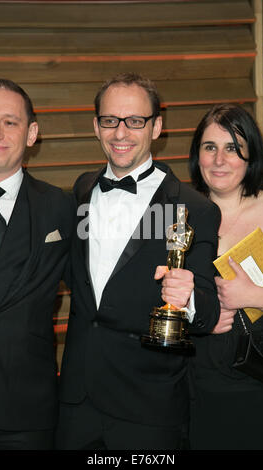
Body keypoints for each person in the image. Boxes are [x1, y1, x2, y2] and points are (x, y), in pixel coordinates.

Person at [56, 72, 221, 450]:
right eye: (110, 121)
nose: (121, 133)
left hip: (148, 406)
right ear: (96, 126)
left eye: (135, 121)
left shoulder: (193, 208)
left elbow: (208, 312)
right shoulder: (81, 191)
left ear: (157, 126)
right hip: (76, 404)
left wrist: (187, 298)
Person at [0, 78, 75, 449]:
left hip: (26, 411)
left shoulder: (61, 208)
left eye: (10, 121)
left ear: (31, 133)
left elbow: (93, 290)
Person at [188, 103, 263, 450]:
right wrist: (199, 316)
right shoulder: (178, 215)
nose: (219, 160)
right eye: (209, 147)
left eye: (232, 148)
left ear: (251, 154)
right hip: (198, 387)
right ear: (197, 156)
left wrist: (252, 296)